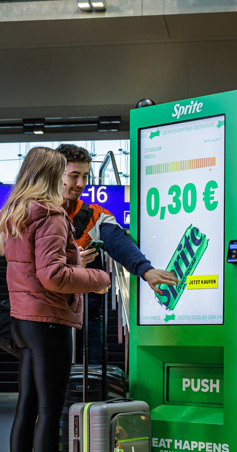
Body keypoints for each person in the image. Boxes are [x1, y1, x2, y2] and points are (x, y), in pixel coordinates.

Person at [0, 146, 110, 452]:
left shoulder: (16, 213)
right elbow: (53, 275)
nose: (72, 181)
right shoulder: (51, 215)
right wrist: (97, 279)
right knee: (49, 411)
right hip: (49, 321)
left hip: (23, 320)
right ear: (51, 174)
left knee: (26, 407)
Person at [55, 143, 178, 364]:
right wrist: (73, 263)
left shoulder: (95, 215)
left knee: (92, 375)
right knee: (47, 383)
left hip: (86, 309)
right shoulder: (35, 213)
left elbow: (118, 241)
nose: (81, 184)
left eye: (85, 176)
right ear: (56, 174)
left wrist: (145, 270)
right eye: (74, 176)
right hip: (46, 312)